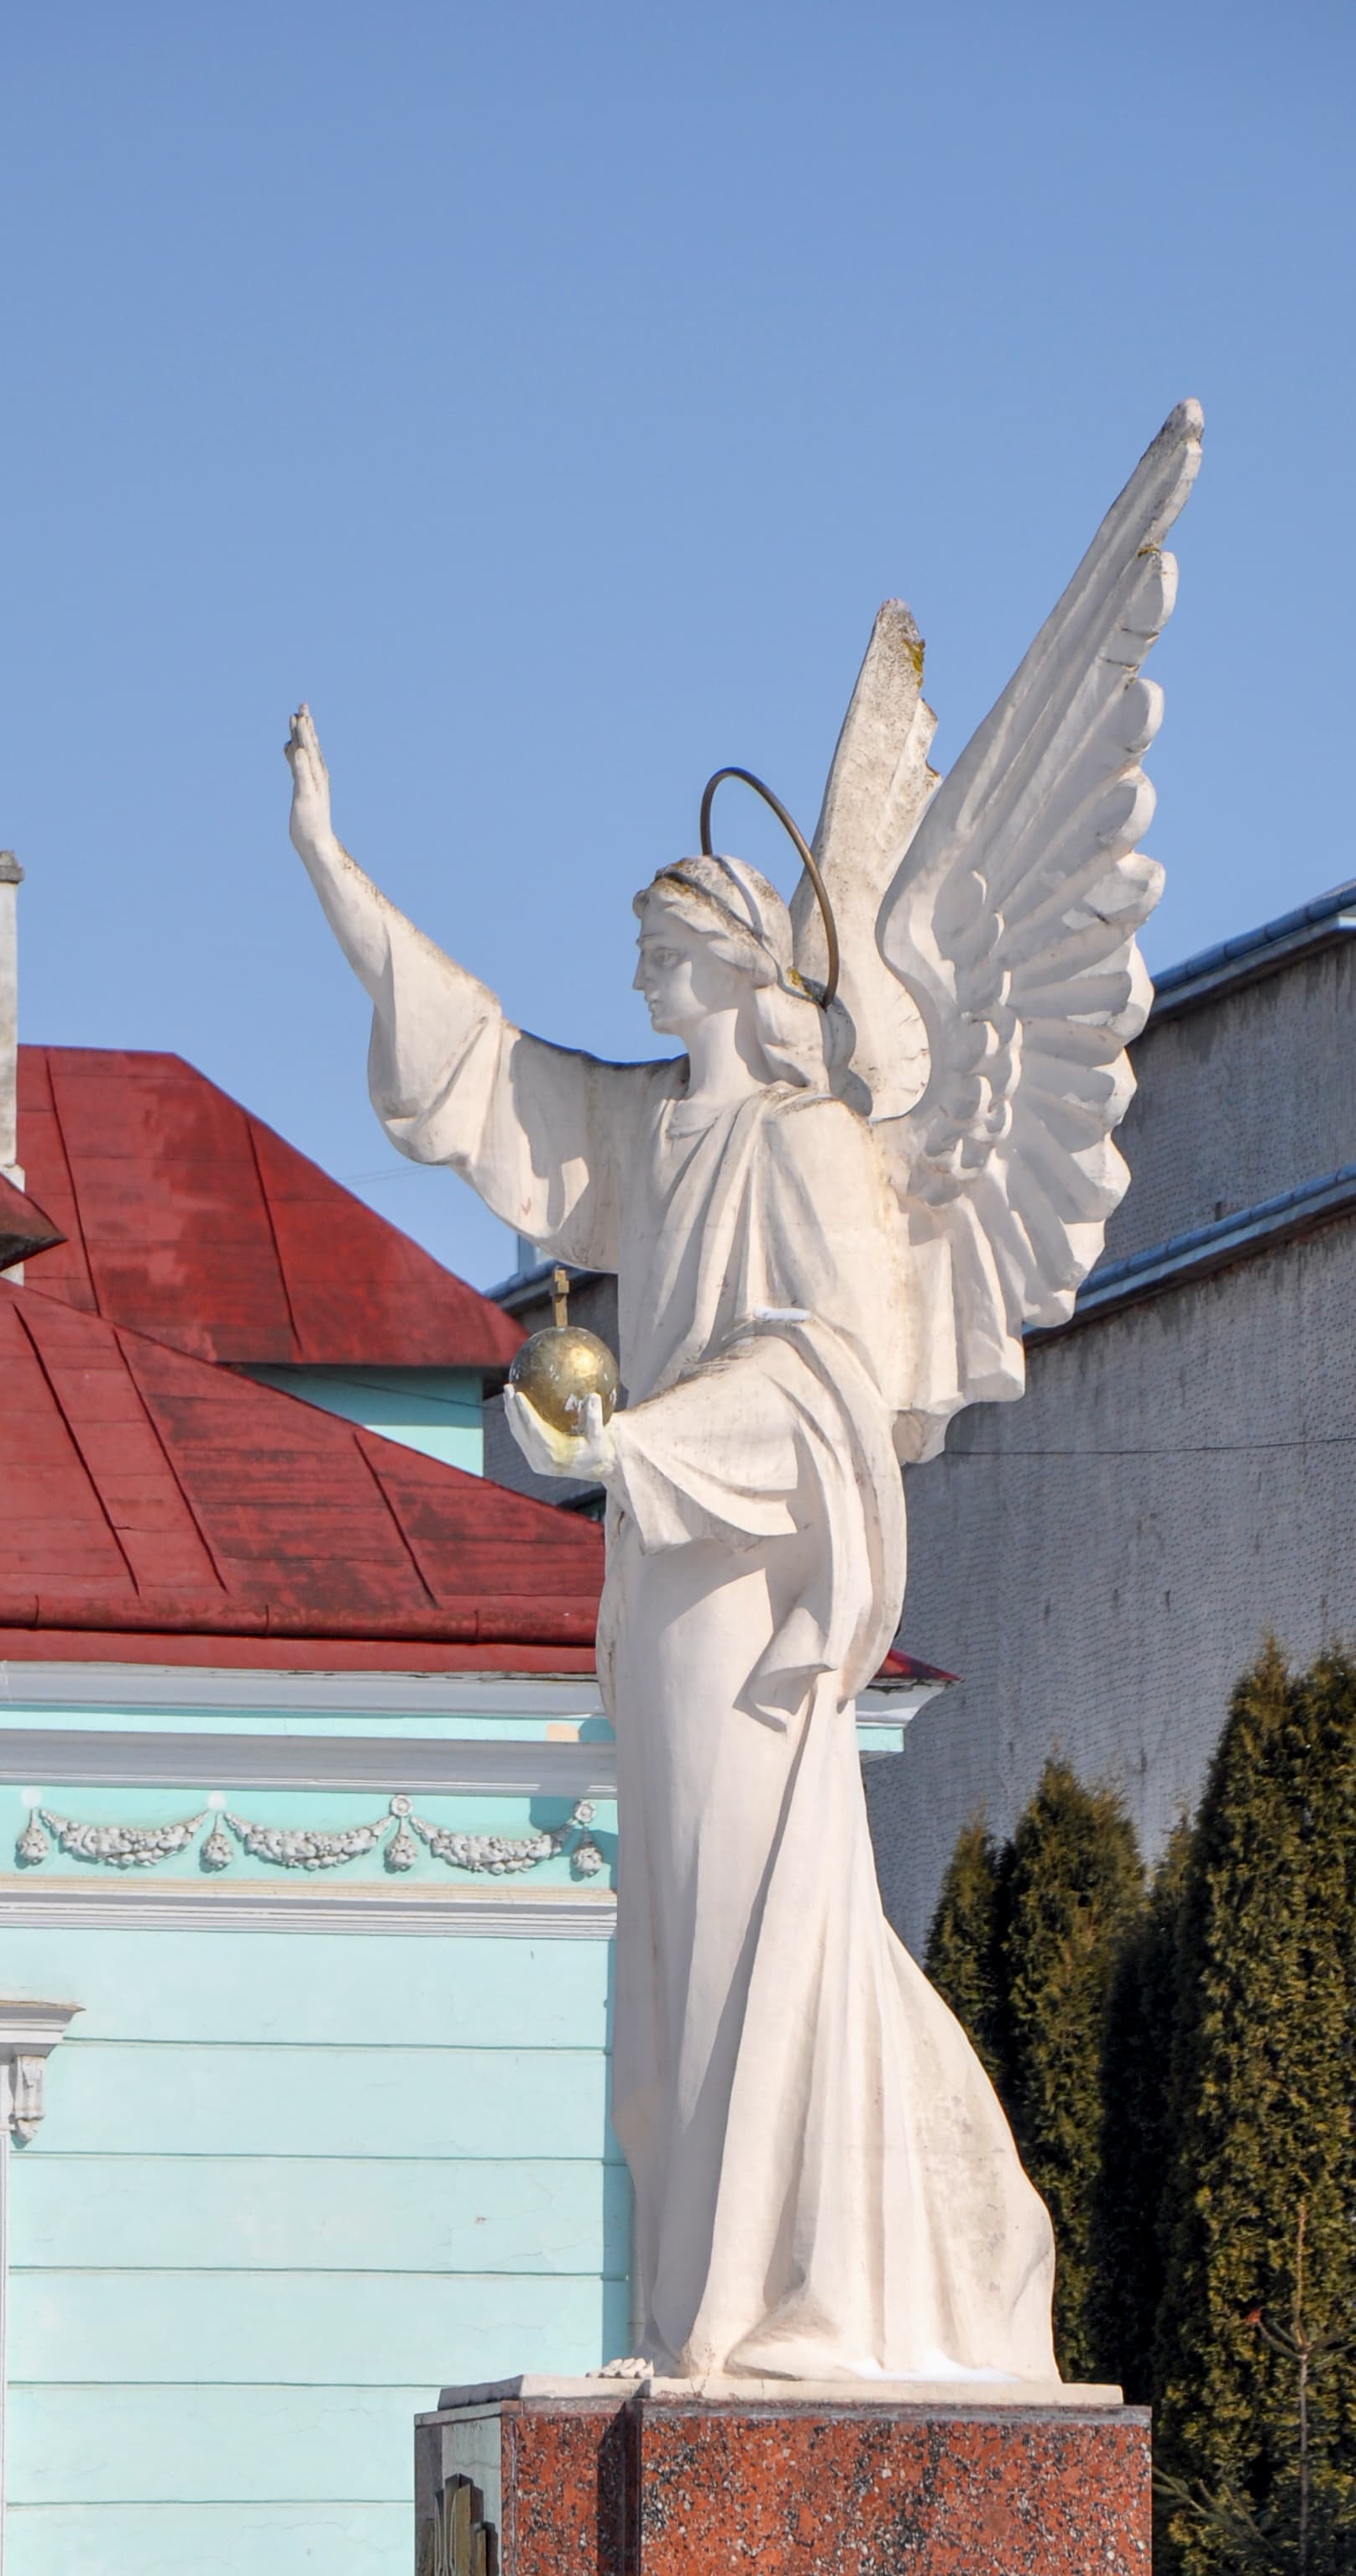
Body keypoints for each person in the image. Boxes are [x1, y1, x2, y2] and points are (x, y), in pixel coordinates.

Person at [287, 706, 1055, 2389]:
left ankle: (782, 2298)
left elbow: (833, 1379)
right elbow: (476, 1072)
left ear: (723, 955)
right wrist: (337, 873)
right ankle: (701, 2304)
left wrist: (639, 1441)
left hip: (748, 1578)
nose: (633, 962)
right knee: (670, 1961)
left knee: (745, 1931)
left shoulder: (811, 1141)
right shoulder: (650, 1135)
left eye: (655, 938)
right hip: (657, 1583)